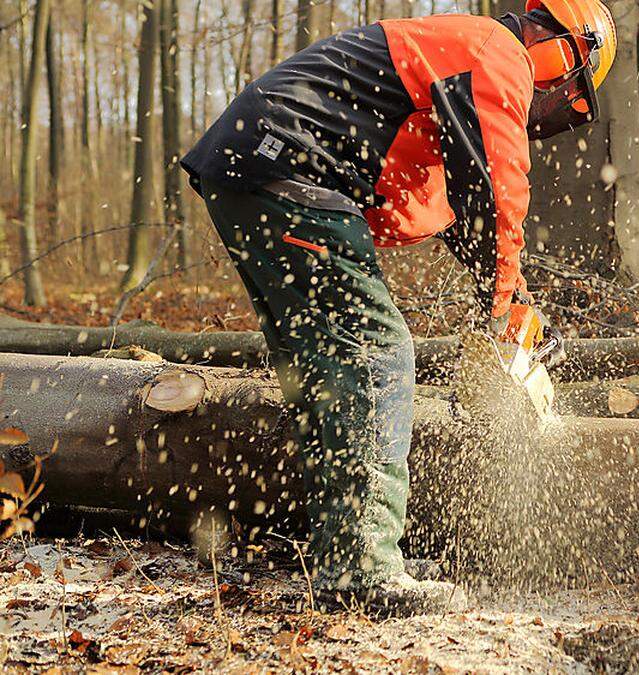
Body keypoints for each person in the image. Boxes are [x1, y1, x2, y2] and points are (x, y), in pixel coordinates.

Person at [180, 0, 616, 616]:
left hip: (253, 170)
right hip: (290, 172)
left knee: (325, 371)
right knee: (377, 354)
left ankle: (341, 552)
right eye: (565, 93)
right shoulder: (495, 51)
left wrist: (510, 303)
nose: (551, 108)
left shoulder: (446, 63)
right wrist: (503, 302)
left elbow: (466, 207)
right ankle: (362, 568)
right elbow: (497, 186)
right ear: (566, 48)